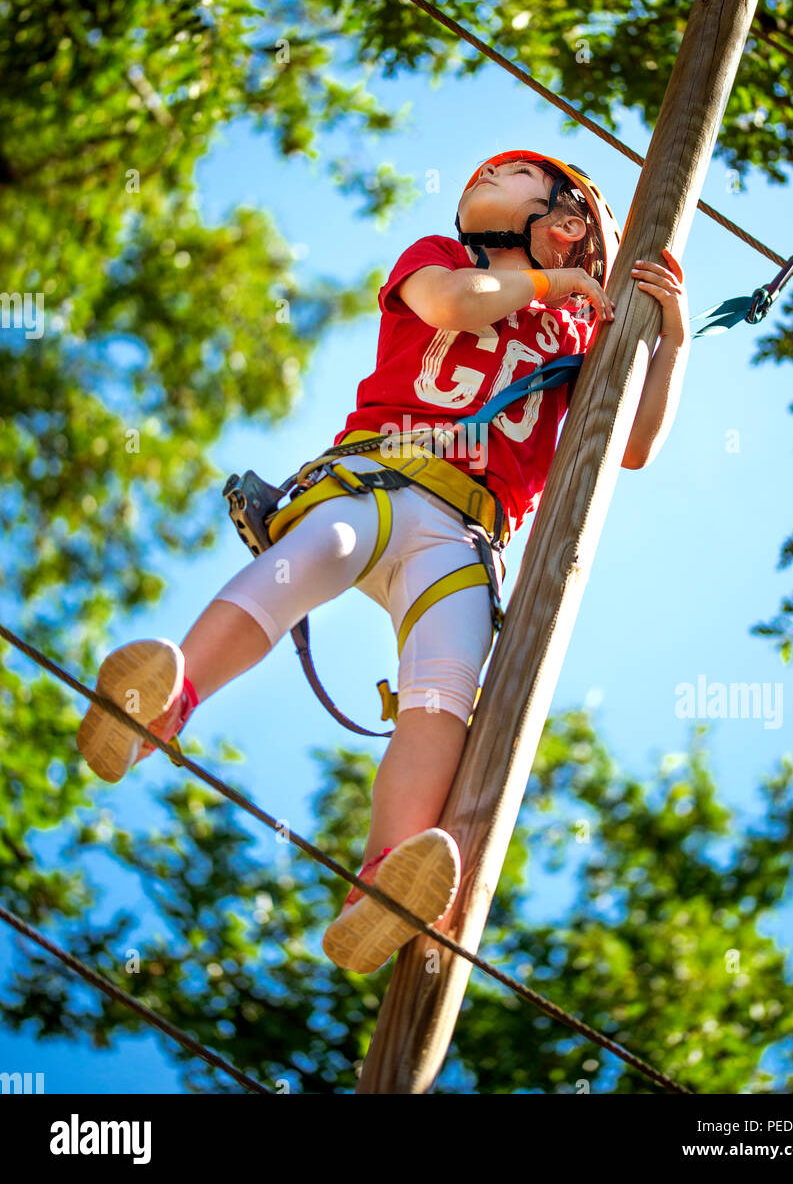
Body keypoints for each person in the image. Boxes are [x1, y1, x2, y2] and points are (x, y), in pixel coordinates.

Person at [76, 150, 689, 974]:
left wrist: (670, 336)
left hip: (466, 537)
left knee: (444, 688)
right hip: (380, 477)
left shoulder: (587, 339)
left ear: (567, 225)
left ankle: (383, 879)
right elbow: (449, 306)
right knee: (310, 557)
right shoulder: (438, 259)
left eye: (508, 179)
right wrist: (552, 290)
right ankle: (167, 698)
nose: (480, 181)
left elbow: (635, 443)